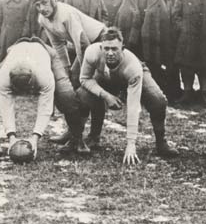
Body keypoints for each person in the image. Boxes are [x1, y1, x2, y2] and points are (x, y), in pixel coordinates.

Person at [76, 27, 178, 164]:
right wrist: (106, 96)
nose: (110, 53)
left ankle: (161, 141)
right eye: (106, 49)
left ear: (122, 48)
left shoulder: (133, 67)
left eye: (114, 49)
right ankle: (92, 136)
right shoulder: (92, 53)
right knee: (82, 94)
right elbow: (84, 79)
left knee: (157, 100)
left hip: (130, 75)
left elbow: (133, 107)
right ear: (101, 48)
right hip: (105, 77)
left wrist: (131, 144)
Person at [0, 38, 89, 159]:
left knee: (67, 97)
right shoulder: (3, 77)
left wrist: (35, 138)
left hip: (46, 52)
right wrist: (11, 137)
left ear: (32, 79)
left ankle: (77, 138)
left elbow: (45, 108)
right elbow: (6, 107)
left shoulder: (43, 74)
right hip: (15, 50)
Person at [33, 0, 107, 84]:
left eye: (45, 2)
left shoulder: (65, 13)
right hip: (84, 44)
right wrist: (66, 68)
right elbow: (57, 44)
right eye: (37, 5)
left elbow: (82, 44)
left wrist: (85, 74)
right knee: (72, 78)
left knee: (97, 77)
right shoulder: (42, 19)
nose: (41, 8)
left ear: (53, 0)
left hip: (100, 38)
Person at [115, 0, 172, 83]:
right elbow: (123, 13)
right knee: (135, 58)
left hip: (151, 34)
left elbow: (163, 15)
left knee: (151, 60)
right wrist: (135, 14)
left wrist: (149, 14)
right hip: (134, 34)